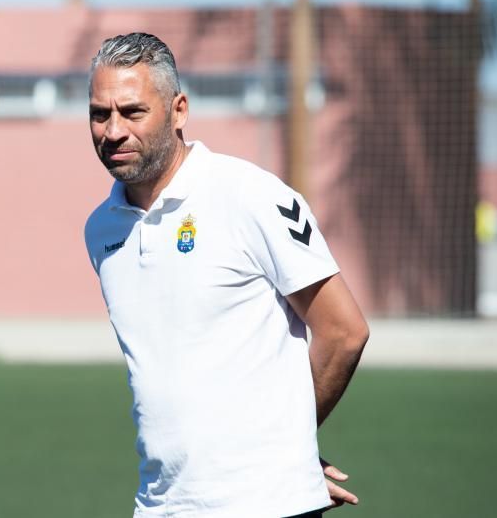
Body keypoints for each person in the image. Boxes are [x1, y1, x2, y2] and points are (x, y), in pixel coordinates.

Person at [84, 33, 369, 518]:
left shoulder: (249, 195)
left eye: (132, 112)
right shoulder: (100, 230)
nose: (112, 131)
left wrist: (289, 450)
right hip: (160, 505)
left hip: (266, 505)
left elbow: (343, 332)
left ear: (178, 111)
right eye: (99, 113)